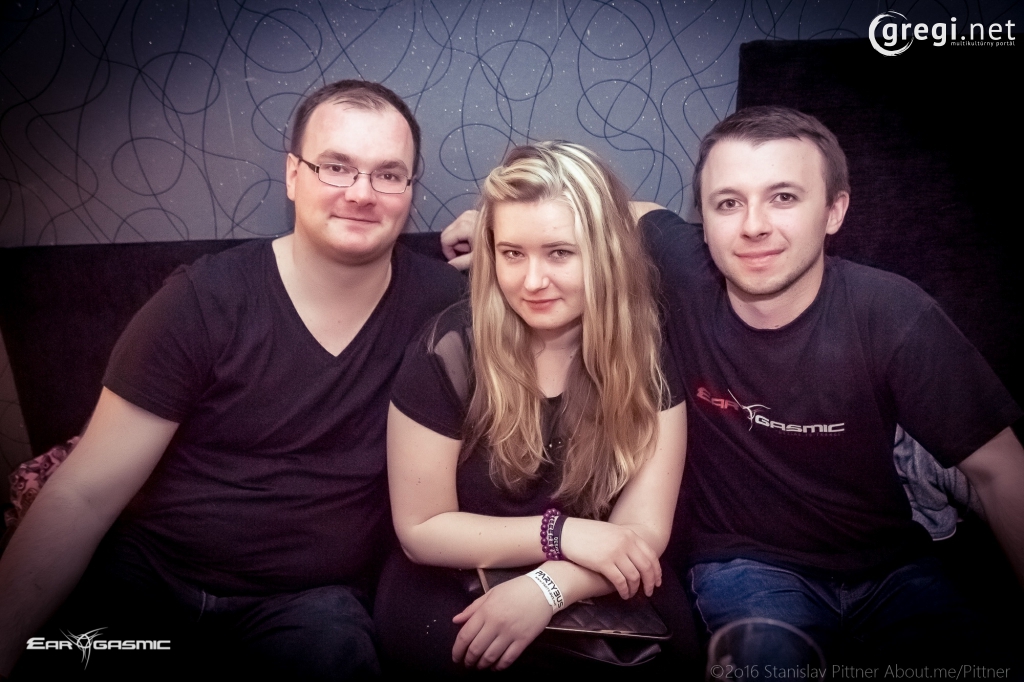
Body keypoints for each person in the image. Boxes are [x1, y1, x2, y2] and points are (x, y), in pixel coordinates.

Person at [439, 108, 1024, 666]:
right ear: (703, 218)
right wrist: (494, 222)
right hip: (745, 566)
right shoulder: (685, 270)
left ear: (834, 210)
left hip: (890, 566)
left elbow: (1002, 471)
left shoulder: (893, 314)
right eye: (728, 202)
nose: (753, 226)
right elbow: (612, 209)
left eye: (783, 197)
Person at [0, 80, 465, 680]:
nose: (360, 192)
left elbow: (579, 263)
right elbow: (82, 494)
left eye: (388, 174)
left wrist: (501, 233)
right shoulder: (202, 300)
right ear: (293, 175)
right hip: (151, 576)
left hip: (307, 604)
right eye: (335, 167)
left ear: (410, 190)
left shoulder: (444, 308)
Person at [374, 142, 697, 676]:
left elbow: (643, 530)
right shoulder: (449, 349)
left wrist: (548, 586)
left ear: (607, 252)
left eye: (559, 253)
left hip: (595, 575)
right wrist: (562, 534)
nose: (532, 281)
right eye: (512, 253)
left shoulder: (646, 353)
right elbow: (421, 528)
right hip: (456, 573)